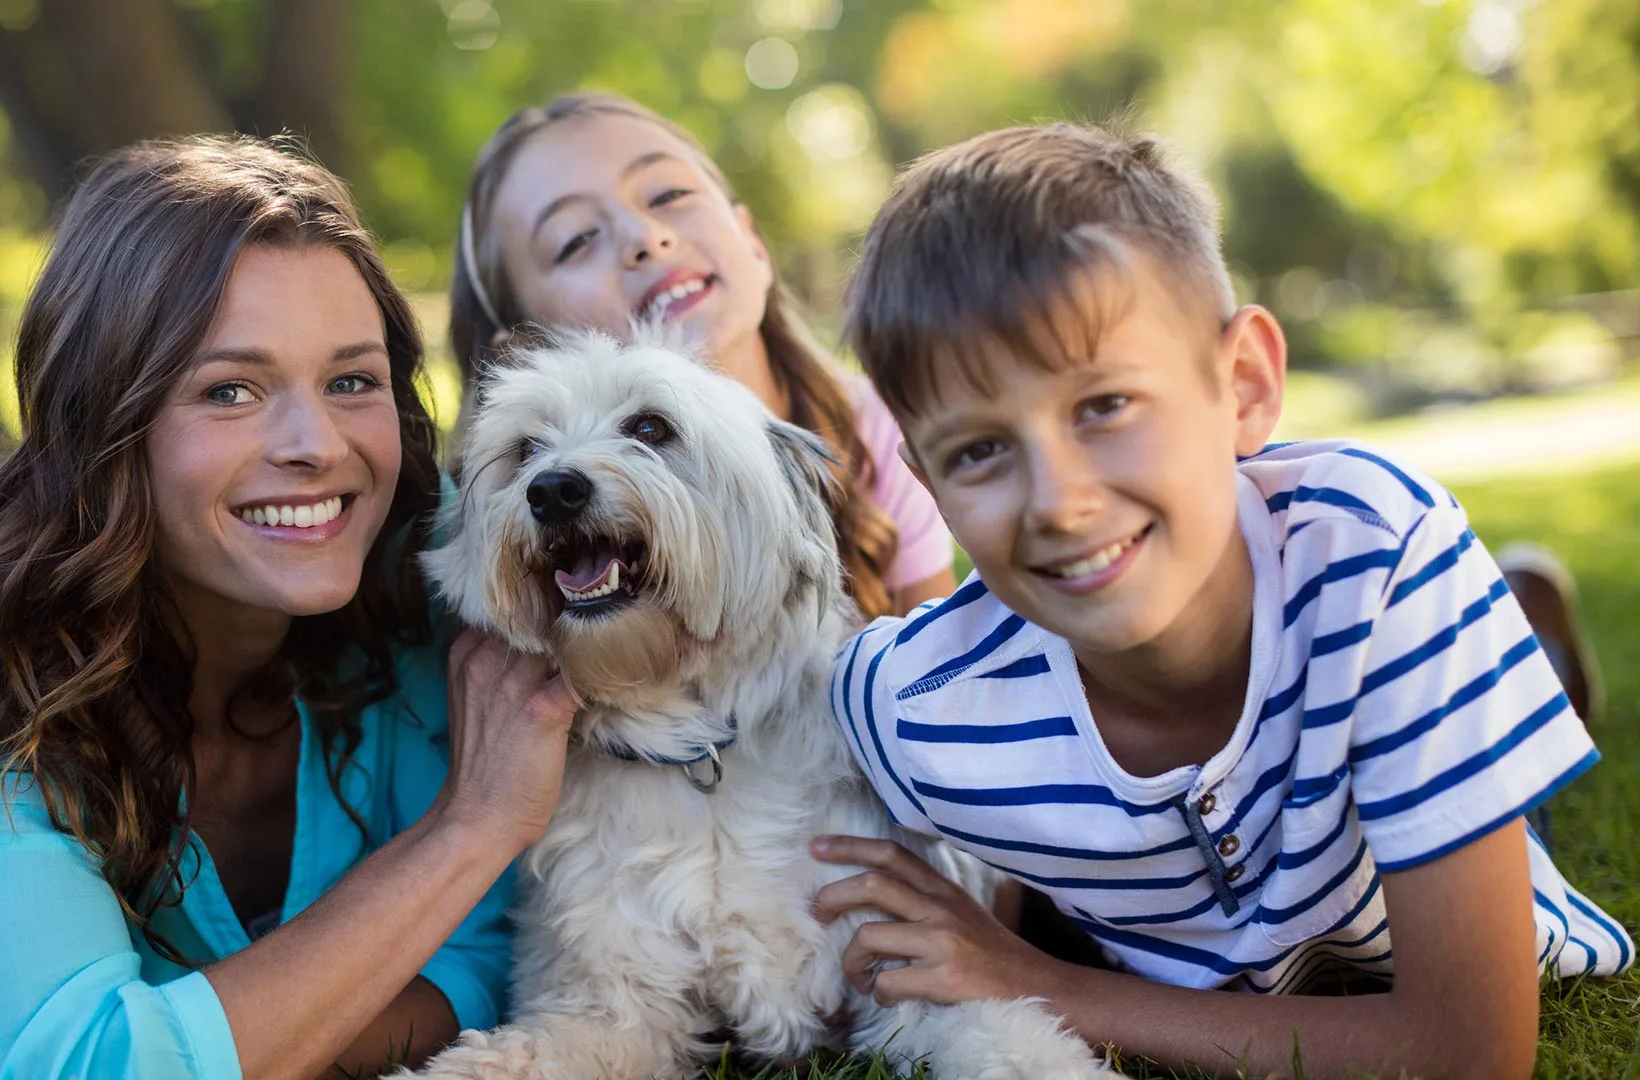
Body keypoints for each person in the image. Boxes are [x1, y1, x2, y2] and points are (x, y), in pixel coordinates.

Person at [811, 122, 1632, 1078]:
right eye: (980, 451)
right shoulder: (909, 707)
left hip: (1380, 735)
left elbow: (1468, 1052)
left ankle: (1530, 640)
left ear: (1242, 385)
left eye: (1104, 405)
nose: (1061, 503)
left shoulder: (1375, 556)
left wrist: (1042, 983)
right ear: (926, 483)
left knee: (1483, 793)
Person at [0, 135, 578, 1080]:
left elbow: (499, 963)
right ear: (104, 426)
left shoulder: (462, 571)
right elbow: (79, 1064)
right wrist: (471, 825)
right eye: (230, 390)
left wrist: (225, 1044)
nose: (316, 444)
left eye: (351, 381)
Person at [450, 91, 956, 620]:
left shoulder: (875, 429)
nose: (645, 237)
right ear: (529, 354)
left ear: (754, 245)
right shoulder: (511, 540)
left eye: (667, 194)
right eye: (576, 240)